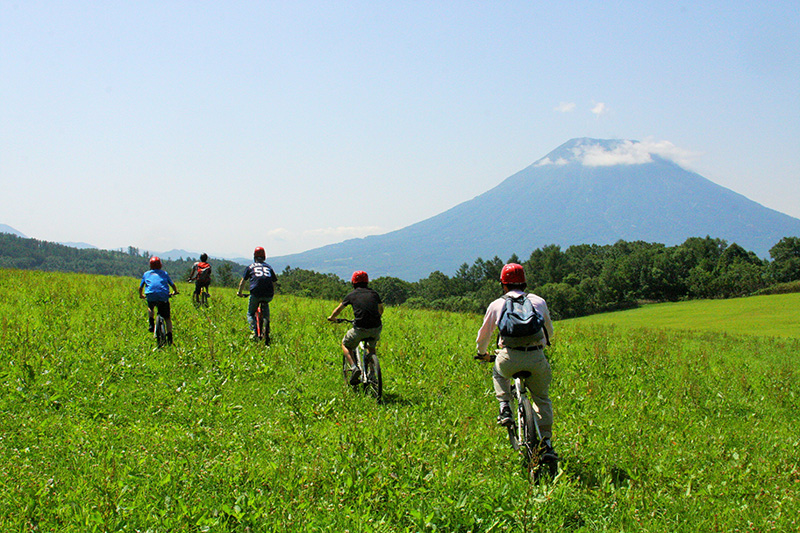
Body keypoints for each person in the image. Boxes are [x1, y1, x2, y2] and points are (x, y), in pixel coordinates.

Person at [475, 263, 557, 461]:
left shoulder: (497, 304)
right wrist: (542, 346)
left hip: (509, 357)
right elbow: (549, 331)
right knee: (542, 398)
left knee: (498, 371)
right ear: (525, 282)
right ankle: (546, 443)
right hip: (536, 356)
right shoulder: (538, 301)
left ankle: (504, 406)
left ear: (503, 284)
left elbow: (483, 336)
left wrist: (482, 353)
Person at [327, 271, 384, 385]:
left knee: (345, 344)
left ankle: (354, 368)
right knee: (371, 347)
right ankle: (372, 374)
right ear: (367, 282)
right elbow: (381, 309)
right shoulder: (374, 294)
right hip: (376, 327)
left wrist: (332, 318)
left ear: (353, 282)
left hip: (360, 328)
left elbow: (338, 310)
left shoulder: (351, 295)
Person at [237, 246, 278, 343]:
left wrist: (239, 292)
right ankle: (266, 323)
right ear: (264, 257)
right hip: (269, 294)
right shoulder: (269, 267)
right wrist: (272, 292)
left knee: (250, 313)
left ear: (254, 256)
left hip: (255, 292)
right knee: (265, 302)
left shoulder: (250, 267)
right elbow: (274, 282)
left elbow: (243, 282)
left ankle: (253, 331)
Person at [139, 256, 179, 344]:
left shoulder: (146, 274)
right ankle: (170, 337)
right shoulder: (164, 273)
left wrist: (141, 295)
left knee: (150, 307)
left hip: (150, 295)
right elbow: (172, 285)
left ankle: (151, 322)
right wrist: (175, 292)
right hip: (163, 296)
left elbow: (140, 287)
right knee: (167, 318)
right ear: (160, 265)